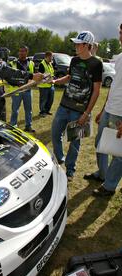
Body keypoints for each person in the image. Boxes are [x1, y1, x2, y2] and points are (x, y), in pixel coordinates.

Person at [51, 31, 103, 181]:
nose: (75, 46)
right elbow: (69, 77)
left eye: (78, 44)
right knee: (55, 134)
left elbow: (97, 90)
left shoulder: (96, 64)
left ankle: (70, 171)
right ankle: (60, 159)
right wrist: (55, 81)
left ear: (87, 45)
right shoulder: (74, 60)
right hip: (64, 106)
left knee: (74, 142)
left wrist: (86, 113)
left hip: (79, 111)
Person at [0, 20, 43, 121]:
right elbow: (3, 70)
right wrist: (30, 76)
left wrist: (22, 83)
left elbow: (4, 76)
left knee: (0, 130)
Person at [84, 24, 122, 196]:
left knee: (118, 152)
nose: (120, 36)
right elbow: (114, 86)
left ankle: (109, 186)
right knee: (100, 144)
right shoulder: (120, 57)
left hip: (120, 114)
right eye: (120, 32)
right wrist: (102, 110)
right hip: (109, 109)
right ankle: (103, 174)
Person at [9, 46, 35, 132]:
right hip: (17, 90)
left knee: (29, 110)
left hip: (28, 90)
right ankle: (13, 126)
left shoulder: (31, 63)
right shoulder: (13, 63)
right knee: (15, 110)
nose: (21, 53)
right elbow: (9, 77)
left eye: (23, 51)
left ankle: (28, 126)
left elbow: (34, 75)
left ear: (27, 52)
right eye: (20, 51)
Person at [38, 51, 55, 117]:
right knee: (43, 100)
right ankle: (42, 112)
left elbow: (52, 73)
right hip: (43, 86)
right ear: (47, 56)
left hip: (51, 85)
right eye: (51, 56)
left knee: (50, 99)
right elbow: (40, 76)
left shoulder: (50, 63)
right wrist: (48, 79)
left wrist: (53, 78)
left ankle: (47, 111)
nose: (52, 58)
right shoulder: (42, 64)